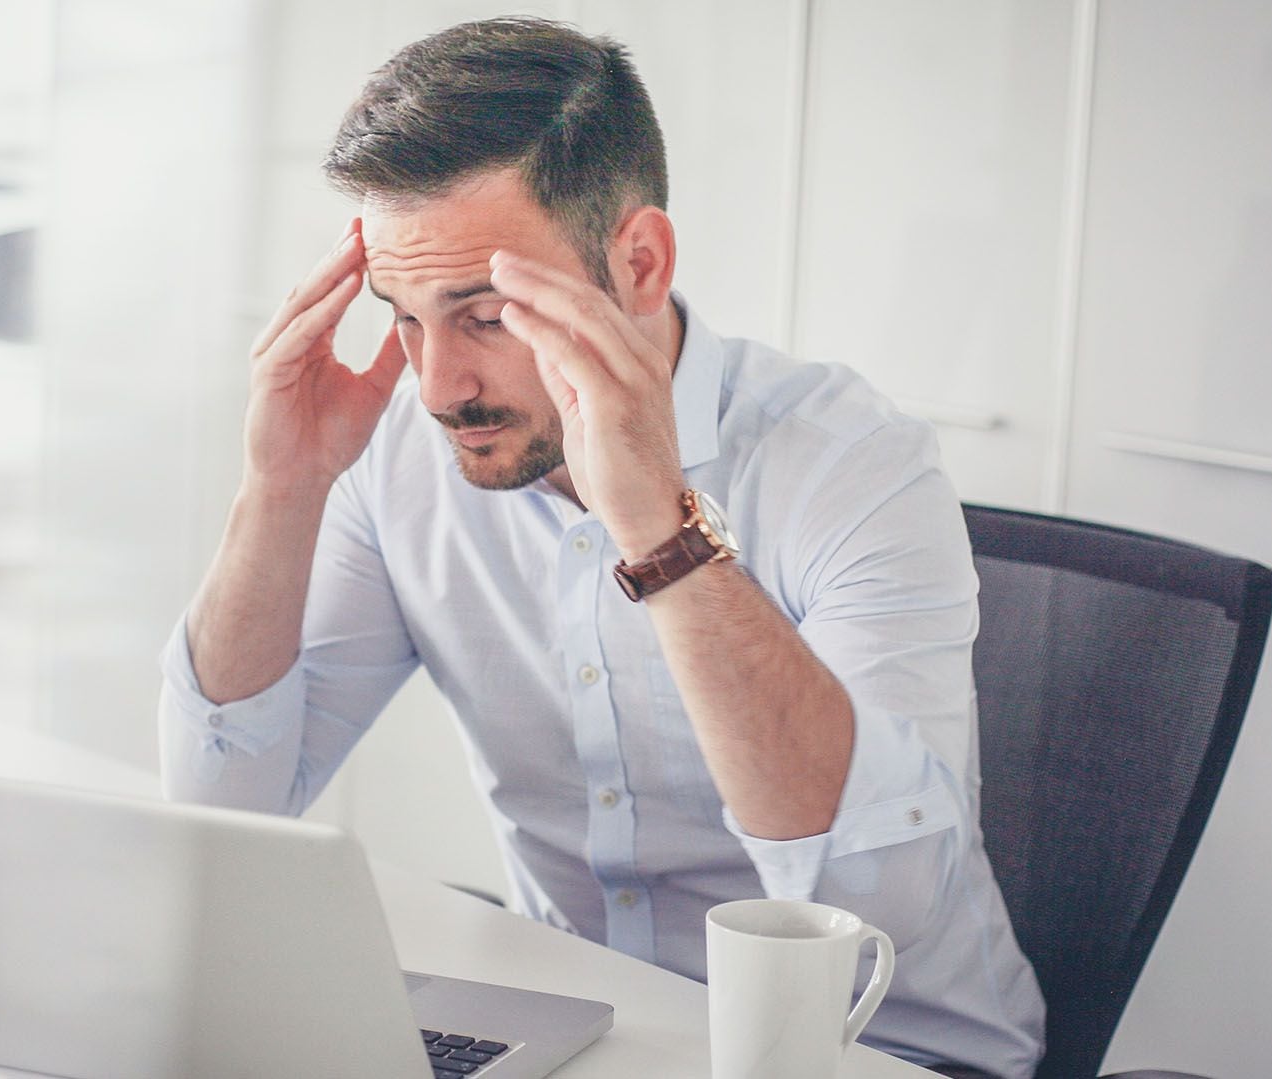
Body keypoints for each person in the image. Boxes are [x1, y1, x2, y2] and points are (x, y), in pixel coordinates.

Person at [157, 17, 1043, 1079]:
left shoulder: (851, 463)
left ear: (637, 262)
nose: (438, 387)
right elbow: (222, 820)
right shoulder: (402, 451)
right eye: (403, 318)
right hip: (584, 1040)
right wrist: (282, 488)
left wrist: (659, 528)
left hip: (876, 1052)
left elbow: (868, 907)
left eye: (485, 315)